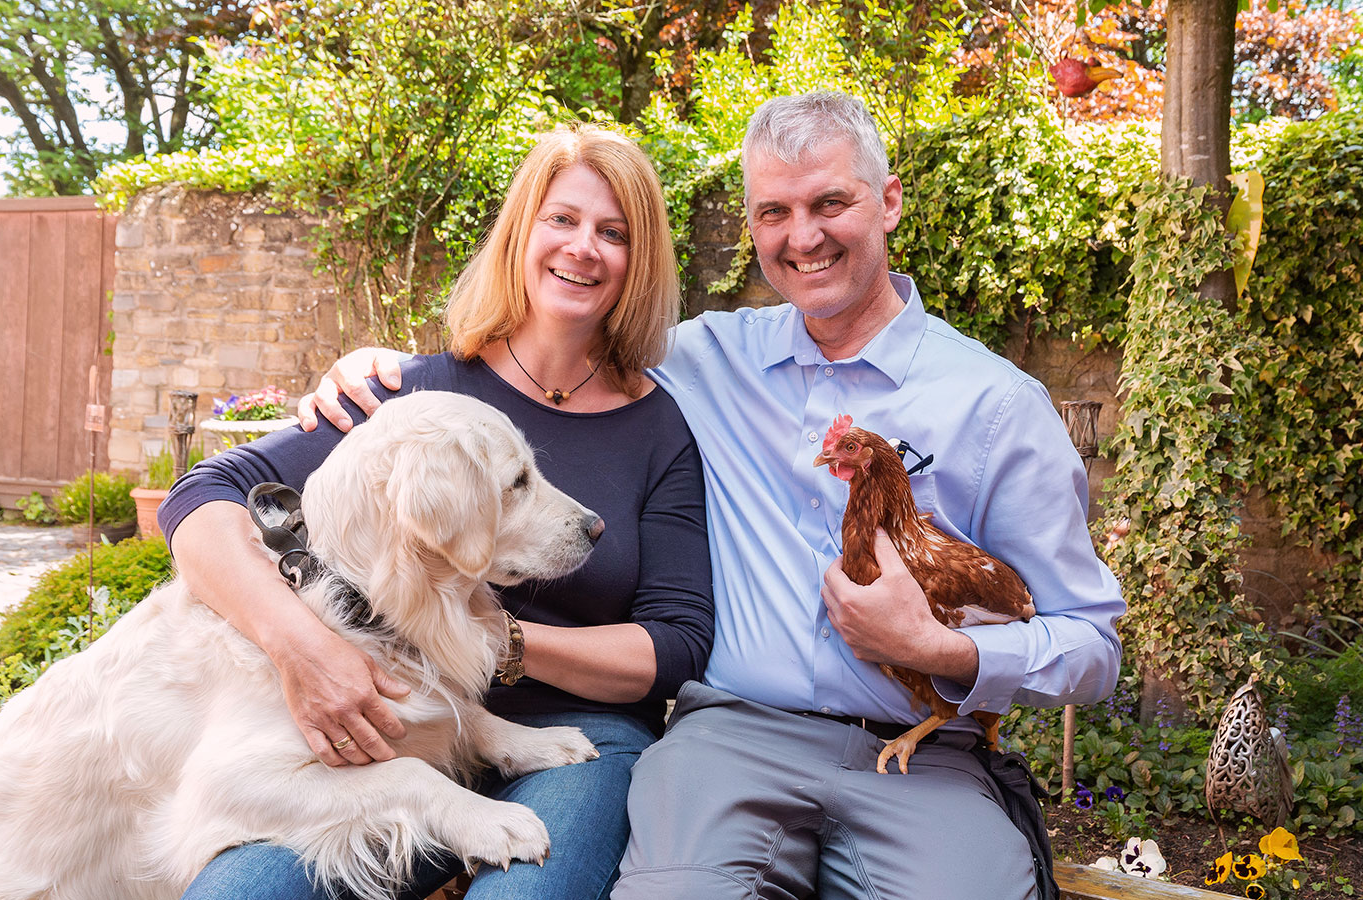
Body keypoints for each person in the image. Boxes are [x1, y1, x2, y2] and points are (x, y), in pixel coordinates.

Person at [303, 92, 1127, 900]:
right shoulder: (701, 360)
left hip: (922, 756)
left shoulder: (995, 407)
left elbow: (1091, 644)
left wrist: (945, 652)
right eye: (774, 212)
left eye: (830, 202)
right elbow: (557, 350)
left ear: (889, 201)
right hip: (731, 738)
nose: (803, 236)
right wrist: (393, 379)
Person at [159, 124, 714, 900]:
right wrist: (301, 649)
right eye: (562, 219)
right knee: (241, 893)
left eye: (612, 232)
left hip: (580, 736)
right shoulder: (407, 394)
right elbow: (201, 497)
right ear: (522, 231)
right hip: (385, 733)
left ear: (638, 258)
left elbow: (678, 644)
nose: (583, 247)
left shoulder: (661, 431)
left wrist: (498, 641)